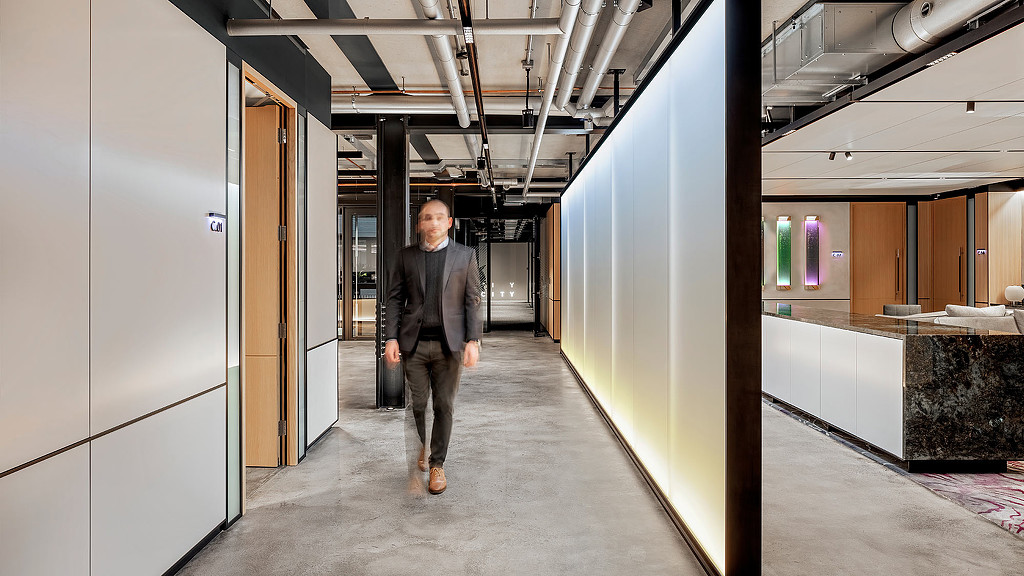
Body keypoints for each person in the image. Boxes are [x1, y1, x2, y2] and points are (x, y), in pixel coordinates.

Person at [384, 199, 482, 495]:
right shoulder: (406, 256)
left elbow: (472, 300)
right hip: (413, 344)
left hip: (449, 345)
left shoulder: (465, 256)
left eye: (440, 217)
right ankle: (424, 445)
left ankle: (437, 464)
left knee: (444, 405)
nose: (434, 223)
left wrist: (473, 340)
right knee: (418, 404)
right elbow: (394, 299)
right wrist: (391, 338)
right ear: (420, 224)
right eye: (428, 218)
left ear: (449, 222)